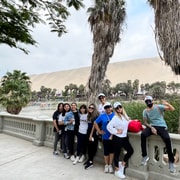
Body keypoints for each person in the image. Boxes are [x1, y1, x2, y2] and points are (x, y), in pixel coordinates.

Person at [141, 95, 176, 173]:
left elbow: (172, 109)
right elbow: (145, 122)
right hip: (152, 126)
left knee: (167, 139)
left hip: (161, 126)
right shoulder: (145, 111)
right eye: (147, 102)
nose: (148, 103)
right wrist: (152, 128)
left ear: (152, 101)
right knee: (143, 134)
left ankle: (171, 162)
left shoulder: (158, 107)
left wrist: (167, 103)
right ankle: (144, 156)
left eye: (149, 101)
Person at [107, 102, 134, 179]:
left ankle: (122, 164)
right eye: (117, 108)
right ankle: (117, 170)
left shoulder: (124, 115)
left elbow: (128, 122)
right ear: (115, 110)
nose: (119, 109)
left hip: (124, 137)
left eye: (120, 107)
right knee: (117, 154)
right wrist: (116, 131)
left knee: (130, 150)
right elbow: (109, 127)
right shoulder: (115, 118)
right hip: (117, 138)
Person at [94, 102, 115, 174]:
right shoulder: (102, 116)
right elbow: (95, 123)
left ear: (111, 107)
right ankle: (106, 165)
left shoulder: (115, 115)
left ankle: (110, 165)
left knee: (112, 151)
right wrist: (99, 131)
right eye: (106, 108)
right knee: (106, 151)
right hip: (105, 136)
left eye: (109, 107)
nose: (108, 109)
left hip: (113, 136)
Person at [84, 103, 99, 170]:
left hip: (93, 134)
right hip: (88, 132)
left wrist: (90, 135)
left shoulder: (95, 116)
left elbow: (94, 126)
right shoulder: (89, 115)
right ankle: (89, 159)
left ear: (94, 109)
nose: (90, 109)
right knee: (89, 147)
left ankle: (91, 161)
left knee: (92, 147)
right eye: (89, 107)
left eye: (92, 108)